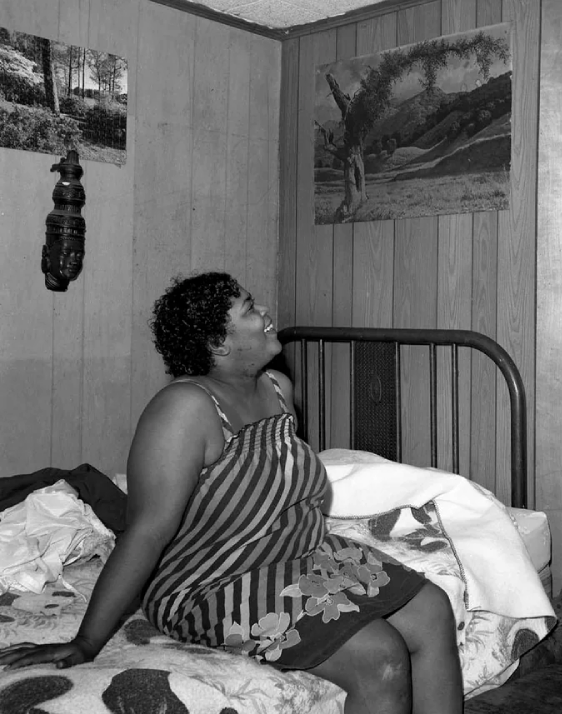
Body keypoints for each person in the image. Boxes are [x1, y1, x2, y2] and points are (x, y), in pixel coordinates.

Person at [0, 271, 463, 714]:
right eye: (247, 307)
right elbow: (146, 532)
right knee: (378, 654)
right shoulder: (184, 410)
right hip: (209, 581)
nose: (263, 310)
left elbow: (277, 485)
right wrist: (86, 642)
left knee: (432, 609)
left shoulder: (278, 389)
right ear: (219, 343)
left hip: (293, 554)